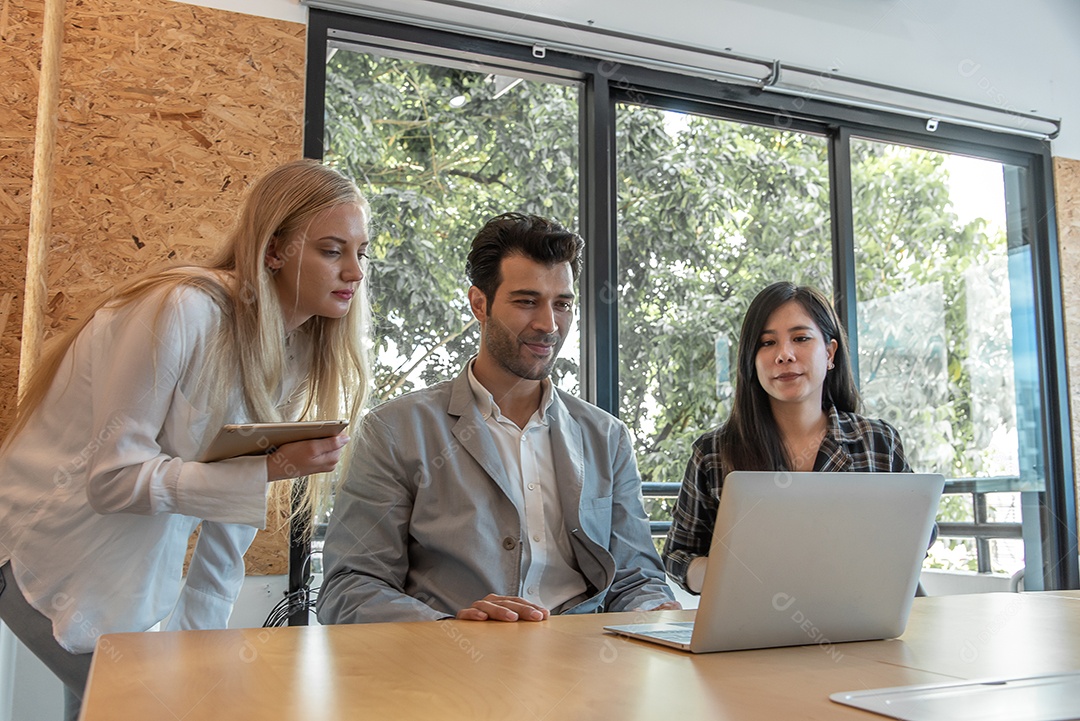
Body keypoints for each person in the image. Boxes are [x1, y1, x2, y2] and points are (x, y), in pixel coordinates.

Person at [0, 158, 372, 718]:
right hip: (41, 551)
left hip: (128, 582)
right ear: (273, 249)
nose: (355, 272)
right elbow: (113, 481)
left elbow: (228, 523)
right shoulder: (181, 309)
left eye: (361, 253)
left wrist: (203, 648)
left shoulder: (292, 356)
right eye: (331, 250)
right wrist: (269, 469)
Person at [317, 212, 679, 625]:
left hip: (586, 662)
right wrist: (448, 630)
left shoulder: (606, 437)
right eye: (526, 301)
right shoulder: (395, 431)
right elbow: (351, 587)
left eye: (562, 304)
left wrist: (659, 612)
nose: (548, 325)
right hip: (457, 666)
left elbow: (637, 578)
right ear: (479, 304)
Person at [663, 281, 915, 594]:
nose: (784, 354)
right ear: (751, 360)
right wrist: (722, 572)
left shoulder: (878, 441)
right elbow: (677, 556)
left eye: (800, 338)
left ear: (830, 352)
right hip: (752, 625)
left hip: (867, 615)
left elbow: (919, 532)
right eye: (767, 343)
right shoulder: (714, 452)